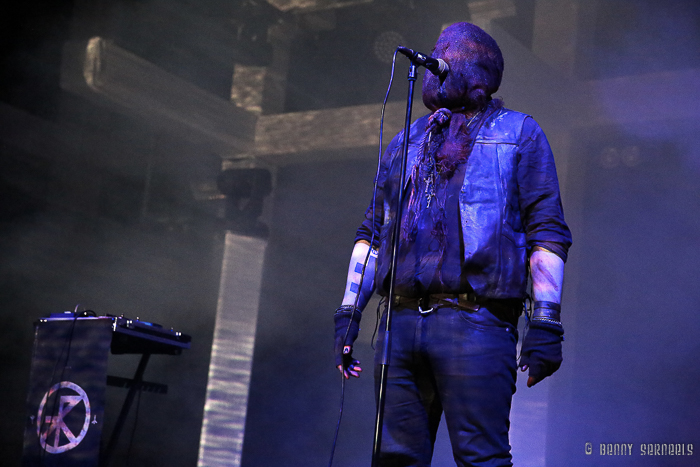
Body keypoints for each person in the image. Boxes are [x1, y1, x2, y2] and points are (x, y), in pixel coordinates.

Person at [333, 22, 572, 466]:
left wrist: (545, 324)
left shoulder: (518, 134)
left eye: (450, 51)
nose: (435, 58)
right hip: (399, 324)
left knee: (481, 458)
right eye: (437, 48)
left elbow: (547, 232)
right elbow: (373, 233)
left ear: (479, 73)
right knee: (394, 459)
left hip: (476, 322)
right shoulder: (408, 140)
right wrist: (349, 312)